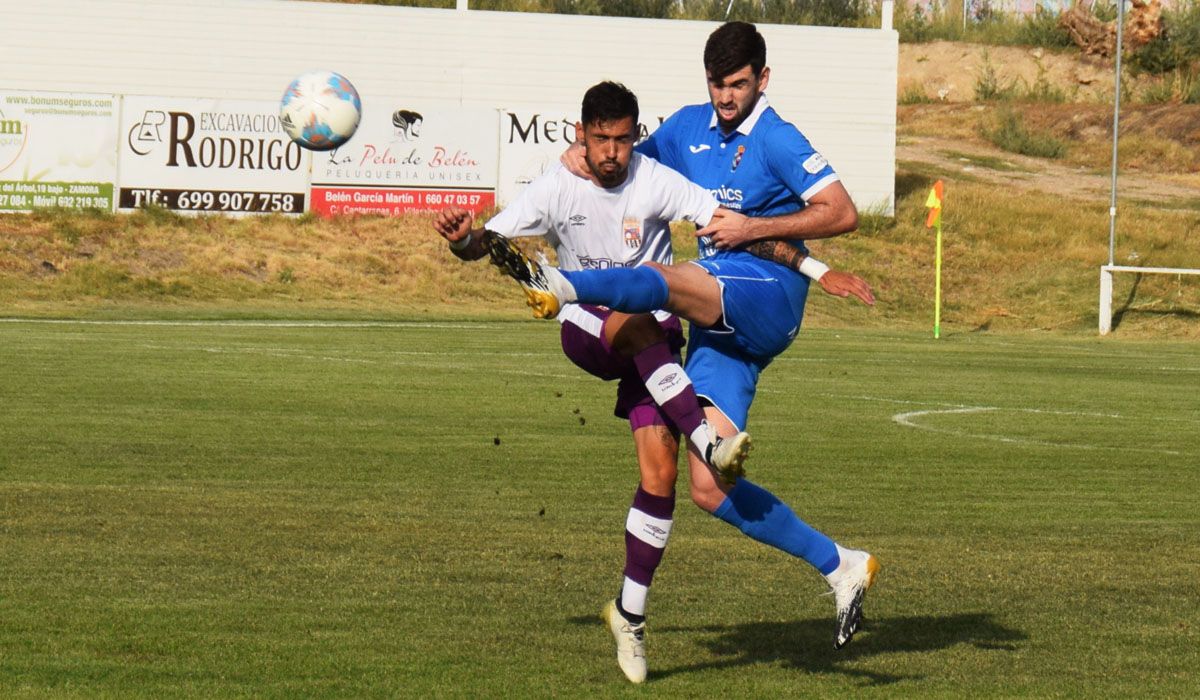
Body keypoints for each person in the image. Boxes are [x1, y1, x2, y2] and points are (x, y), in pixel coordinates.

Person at [435, 80, 872, 683]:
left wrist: (816, 267)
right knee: (638, 321)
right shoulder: (556, 186)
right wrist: (465, 239)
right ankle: (707, 438)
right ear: (580, 135)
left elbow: (736, 229)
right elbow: (489, 241)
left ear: (633, 136)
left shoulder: (657, 180)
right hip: (591, 328)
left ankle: (630, 616)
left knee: (663, 478)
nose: (611, 152)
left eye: (621, 139)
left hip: (659, 352)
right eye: (599, 139)